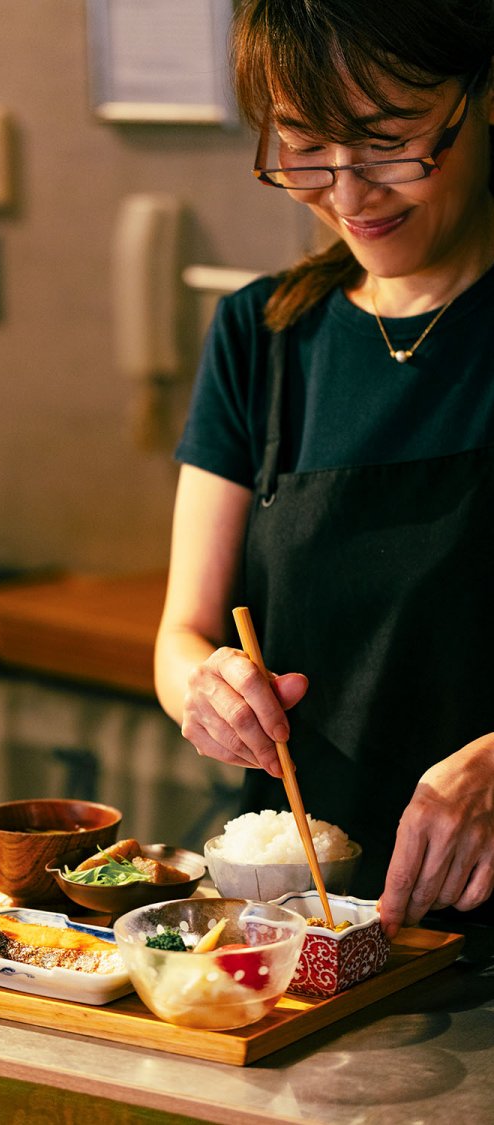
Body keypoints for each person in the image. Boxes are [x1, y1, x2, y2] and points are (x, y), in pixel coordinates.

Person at [155, 0, 494, 939]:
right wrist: (205, 691)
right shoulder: (263, 338)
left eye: (387, 143)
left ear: (483, 94)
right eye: (305, 150)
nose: (349, 194)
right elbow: (182, 633)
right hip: (311, 941)